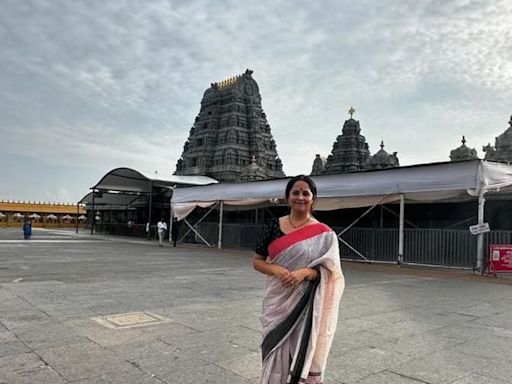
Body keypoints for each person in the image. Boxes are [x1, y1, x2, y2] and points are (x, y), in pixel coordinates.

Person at [253, 175, 345, 384]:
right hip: (277, 303)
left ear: (313, 199)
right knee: (274, 347)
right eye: (296, 192)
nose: (300, 197)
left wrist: (305, 273)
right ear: (287, 197)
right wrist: (275, 269)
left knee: (301, 351)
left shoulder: (325, 233)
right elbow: (257, 261)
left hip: (308, 305)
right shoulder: (273, 226)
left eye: (306, 193)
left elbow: (332, 273)